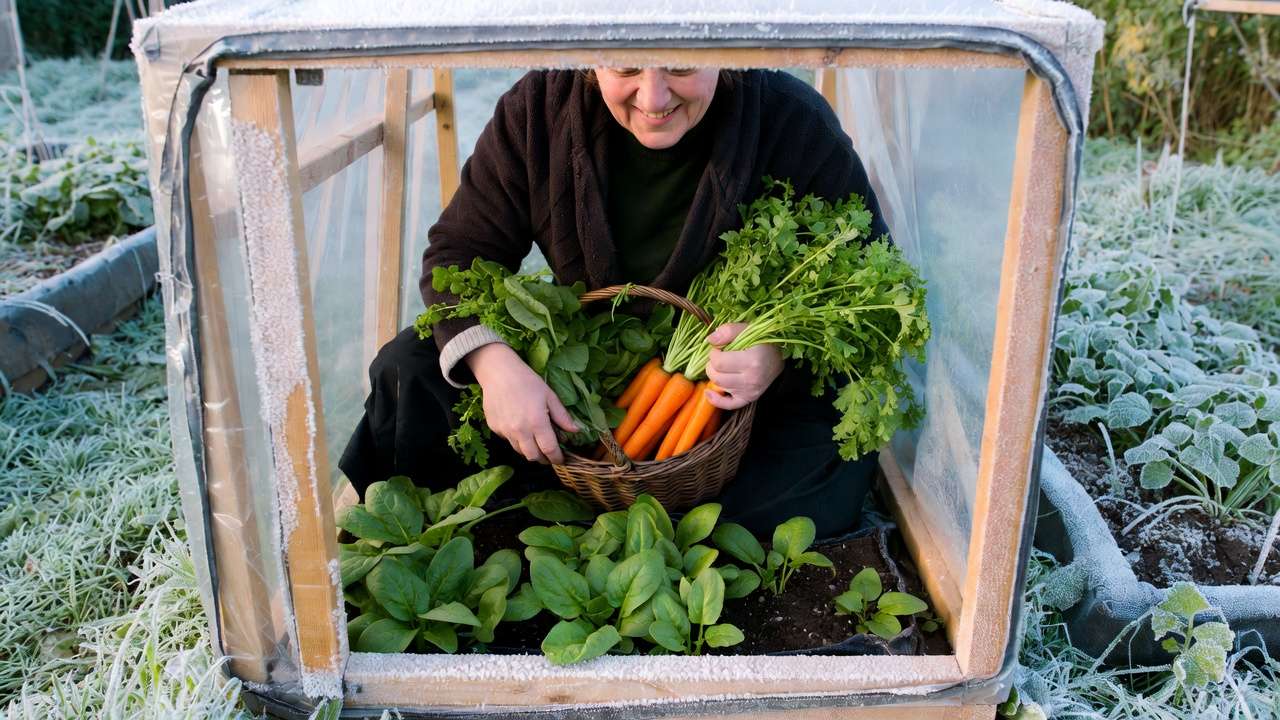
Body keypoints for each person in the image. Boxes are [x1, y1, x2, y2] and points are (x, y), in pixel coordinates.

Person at [340, 67, 890, 538]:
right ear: (589, 57)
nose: (653, 98)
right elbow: (458, 252)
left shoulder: (789, 119)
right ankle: (616, 519)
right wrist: (496, 365)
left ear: (726, 47)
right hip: (576, 389)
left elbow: (870, 273)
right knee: (408, 369)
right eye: (625, 68)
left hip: (732, 412)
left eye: (679, 64)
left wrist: (775, 351)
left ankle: (593, 528)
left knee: (829, 448)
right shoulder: (537, 110)